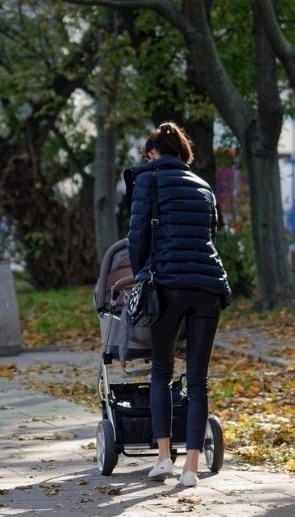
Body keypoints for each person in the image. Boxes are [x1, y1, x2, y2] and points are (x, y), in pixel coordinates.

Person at [125, 122, 231, 488]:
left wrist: (143, 278)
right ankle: (191, 470)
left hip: (167, 284)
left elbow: (137, 238)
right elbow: (211, 236)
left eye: (148, 155)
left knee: (161, 372)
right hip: (208, 285)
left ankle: (164, 460)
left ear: (154, 154)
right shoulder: (204, 186)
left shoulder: (147, 180)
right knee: (198, 378)